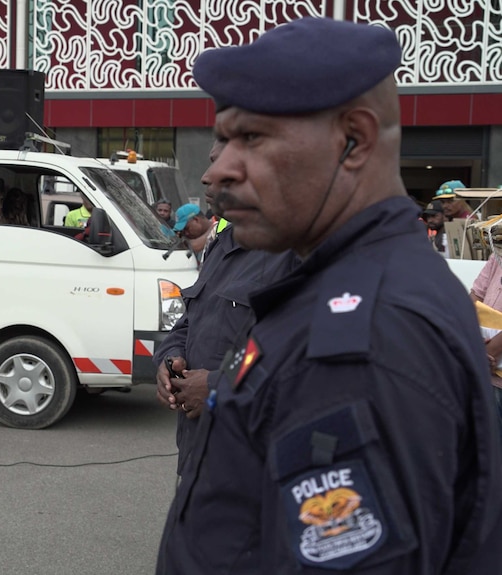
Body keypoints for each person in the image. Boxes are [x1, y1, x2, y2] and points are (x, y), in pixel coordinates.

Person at [157, 17, 502, 574]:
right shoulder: (339, 282)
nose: (217, 170)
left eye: (252, 138)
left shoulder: (370, 333)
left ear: (355, 141)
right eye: (222, 139)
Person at [153, 214, 298, 481]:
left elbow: (295, 352)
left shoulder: (294, 250)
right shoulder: (221, 244)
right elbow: (188, 323)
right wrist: (169, 358)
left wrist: (218, 386)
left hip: (251, 465)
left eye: (229, 170)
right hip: (198, 453)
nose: (209, 178)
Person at [469, 256, 502, 434]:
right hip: (489, 377)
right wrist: (473, 337)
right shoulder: (497, 253)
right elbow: (475, 296)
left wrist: (488, 352)